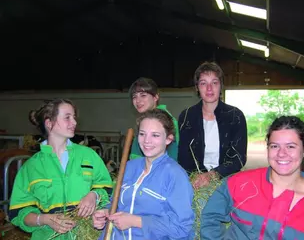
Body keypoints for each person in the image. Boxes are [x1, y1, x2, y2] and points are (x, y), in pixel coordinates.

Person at [200, 116, 304, 239]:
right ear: (268, 148)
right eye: (275, 146)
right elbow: (210, 217)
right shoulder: (239, 183)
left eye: (290, 147)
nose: (282, 154)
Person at [9, 99, 113, 240]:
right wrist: (44, 219)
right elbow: (19, 213)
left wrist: (94, 195)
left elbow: (108, 189)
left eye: (74, 117)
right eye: (67, 117)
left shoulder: (88, 156)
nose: (74, 122)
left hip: (86, 235)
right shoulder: (31, 167)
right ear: (49, 123)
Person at [93, 109, 195, 240]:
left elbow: (182, 228)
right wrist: (105, 214)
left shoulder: (175, 175)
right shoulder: (128, 167)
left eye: (155, 135)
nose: (147, 141)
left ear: (168, 139)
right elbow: (114, 203)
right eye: (142, 134)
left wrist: (137, 221)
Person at [178, 61, 247, 189]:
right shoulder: (187, 116)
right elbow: (183, 157)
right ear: (197, 87)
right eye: (203, 83)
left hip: (226, 180)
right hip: (195, 181)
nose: (209, 88)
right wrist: (195, 179)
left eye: (214, 82)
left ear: (221, 86)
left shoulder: (235, 116)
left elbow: (238, 158)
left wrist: (212, 175)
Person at [128, 77, 179, 161]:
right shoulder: (145, 119)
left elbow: (173, 154)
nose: (138, 100)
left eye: (143, 95)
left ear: (155, 97)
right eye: (134, 97)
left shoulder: (164, 120)